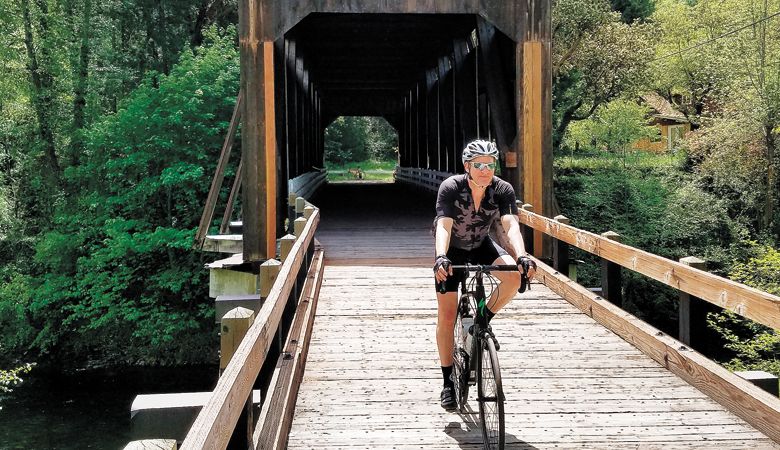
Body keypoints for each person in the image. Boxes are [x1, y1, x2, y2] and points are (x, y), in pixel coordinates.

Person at [432, 139, 536, 409]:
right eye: (478, 164)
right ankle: (447, 382)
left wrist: (522, 256)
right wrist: (441, 257)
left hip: (481, 245)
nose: (485, 169)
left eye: (490, 164)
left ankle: (482, 319)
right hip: (452, 250)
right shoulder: (452, 187)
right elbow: (443, 225)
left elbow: (510, 224)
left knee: (513, 277)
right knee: (446, 315)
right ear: (467, 166)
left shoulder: (502, 189)